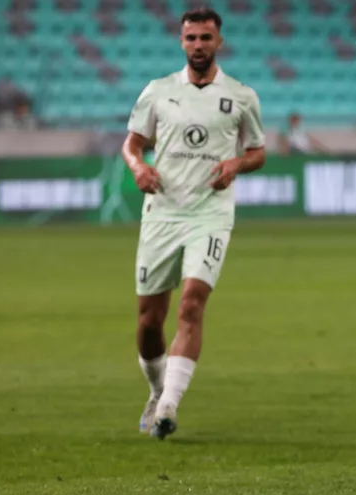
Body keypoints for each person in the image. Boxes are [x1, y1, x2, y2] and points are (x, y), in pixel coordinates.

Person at [121, 7, 266, 439]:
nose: (198, 45)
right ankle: (156, 389)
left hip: (210, 212)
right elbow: (132, 143)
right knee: (149, 321)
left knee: (191, 305)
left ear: (219, 41)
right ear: (181, 42)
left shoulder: (241, 96)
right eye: (191, 39)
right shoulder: (158, 91)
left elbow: (258, 151)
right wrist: (137, 168)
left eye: (206, 38)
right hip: (162, 212)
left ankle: (168, 407)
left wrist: (236, 164)